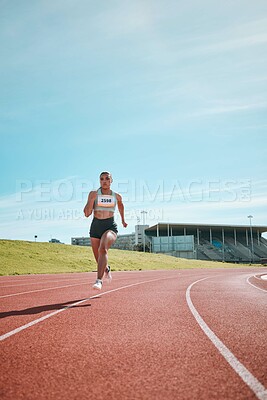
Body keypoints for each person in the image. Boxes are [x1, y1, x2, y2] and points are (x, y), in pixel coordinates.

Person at [83, 171, 127, 290]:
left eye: (107, 179)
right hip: (95, 226)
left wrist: (123, 220)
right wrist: (91, 200)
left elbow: (121, 206)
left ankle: (98, 281)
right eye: (102, 179)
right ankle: (106, 269)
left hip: (110, 226)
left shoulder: (116, 196)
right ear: (99, 181)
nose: (104, 181)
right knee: (98, 258)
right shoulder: (93, 194)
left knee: (103, 248)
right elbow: (87, 214)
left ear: (111, 181)